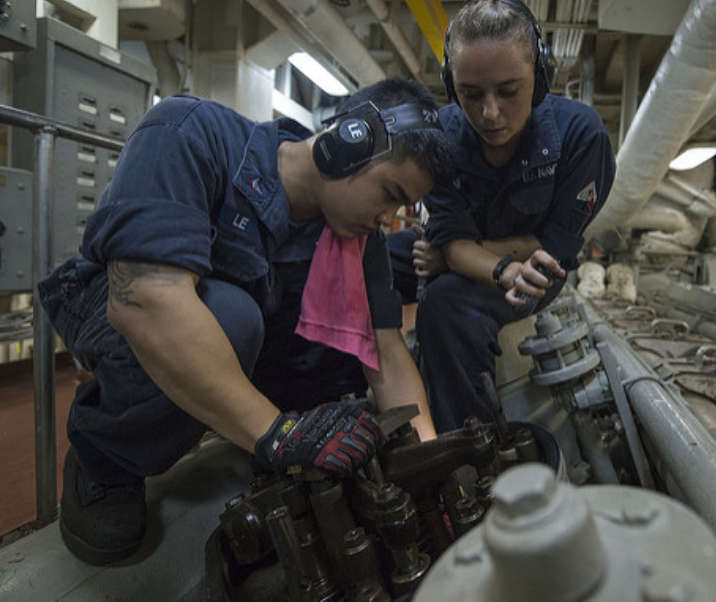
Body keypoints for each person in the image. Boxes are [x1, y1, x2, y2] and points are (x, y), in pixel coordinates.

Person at [38, 78, 454, 565]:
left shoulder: (355, 240)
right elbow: (146, 300)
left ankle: (254, 428)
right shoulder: (192, 133)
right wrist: (279, 435)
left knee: (343, 350)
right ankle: (105, 459)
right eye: (388, 193)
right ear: (348, 143)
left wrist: (427, 465)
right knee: (233, 318)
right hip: (122, 312)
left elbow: (385, 350)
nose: (387, 218)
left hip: (239, 341)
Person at [388, 0, 616, 431]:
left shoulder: (579, 136)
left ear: (541, 77)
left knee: (446, 301)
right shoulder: (443, 137)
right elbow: (448, 244)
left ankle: (471, 443)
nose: (490, 113)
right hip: (476, 256)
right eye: (471, 94)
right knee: (373, 258)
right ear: (452, 85)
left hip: (532, 272)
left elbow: (549, 247)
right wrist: (454, 253)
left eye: (509, 92)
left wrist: (466, 257)